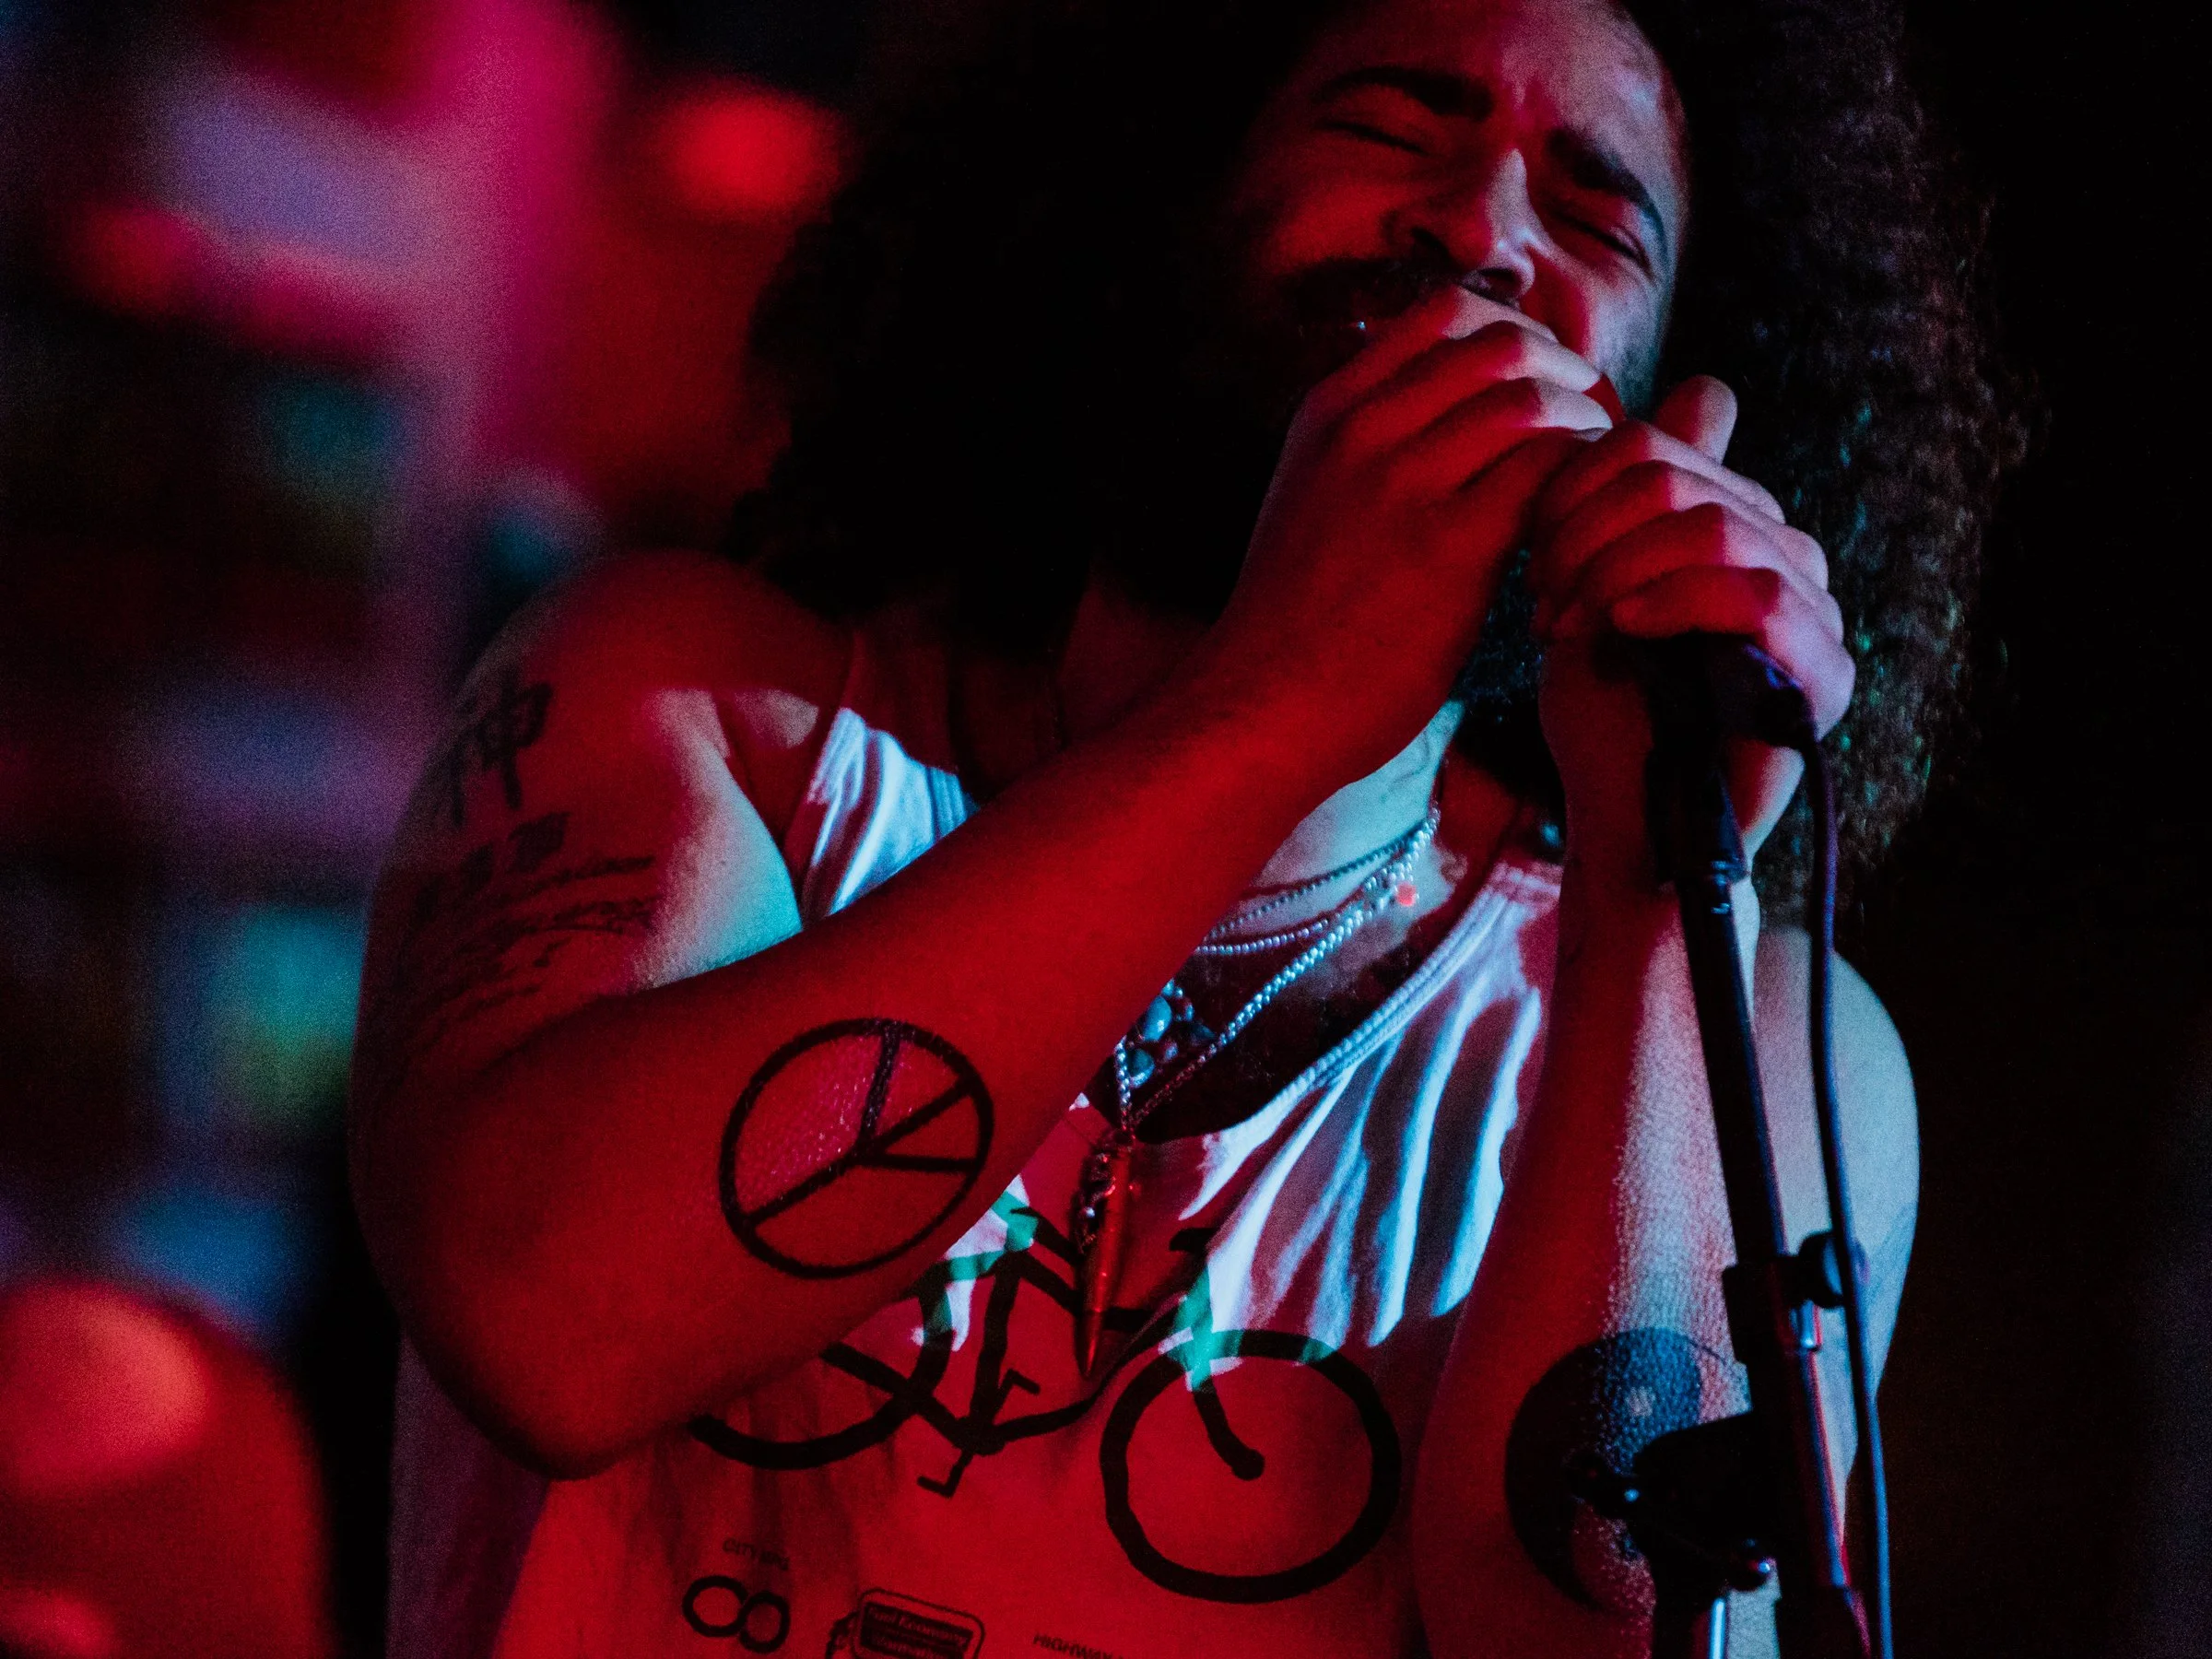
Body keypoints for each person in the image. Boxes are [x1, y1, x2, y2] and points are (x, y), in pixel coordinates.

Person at [348, 0, 2017, 1653]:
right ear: (1154, 189)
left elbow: (1597, 1630)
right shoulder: (701, 705)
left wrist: (1652, 898)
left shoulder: (1764, 1030)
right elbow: (549, 1322)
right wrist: (1280, 701)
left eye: (1597, 220)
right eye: (1389, 127)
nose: (1482, 235)